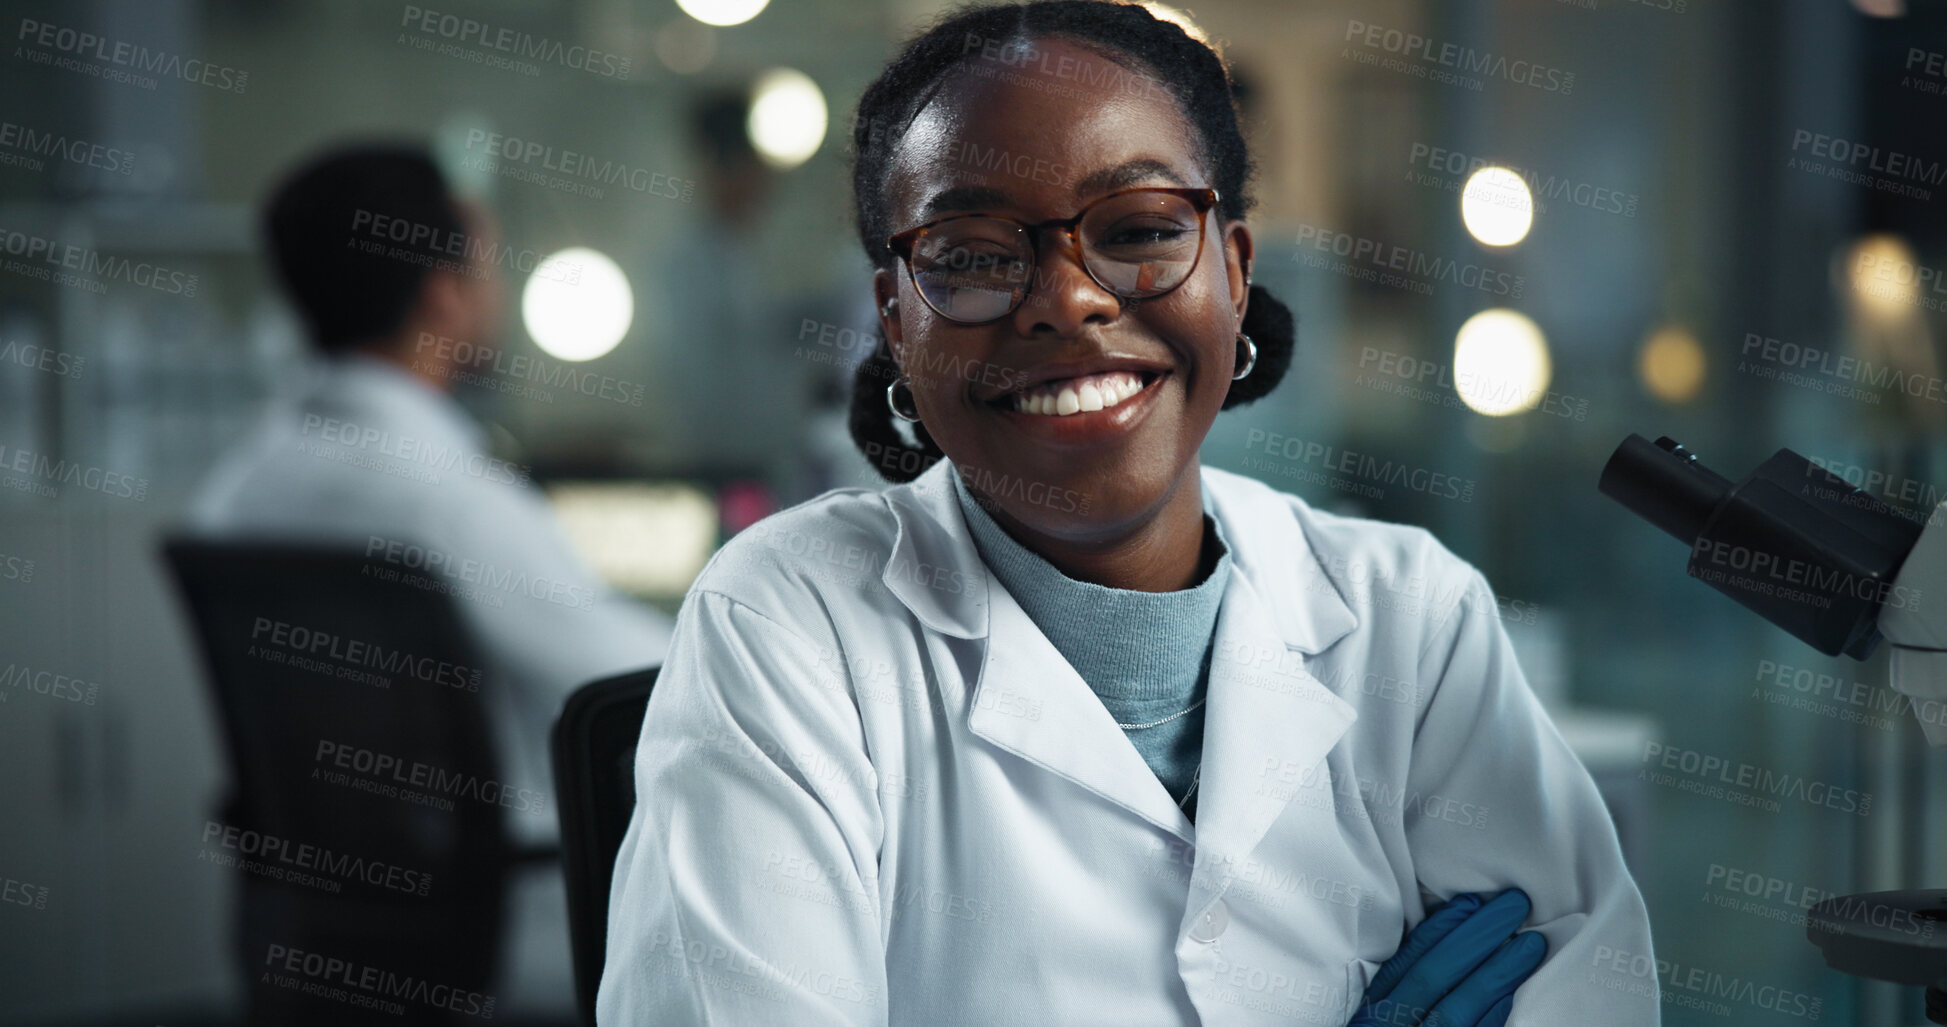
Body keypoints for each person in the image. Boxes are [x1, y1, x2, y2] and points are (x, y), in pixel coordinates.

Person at [598, 4, 1656, 1025]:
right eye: (971, 254)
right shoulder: (790, 624)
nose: (1068, 299)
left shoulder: (1409, 615)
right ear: (896, 322)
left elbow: (1590, 985)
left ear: (1235, 275)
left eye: (1142, 227)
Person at [184, 143, 673, 1015]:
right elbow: (645, 678)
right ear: (444, 289)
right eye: (484, 265)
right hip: (516, 921)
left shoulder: (239, 486)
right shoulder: (440, 496)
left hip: (319, 928)